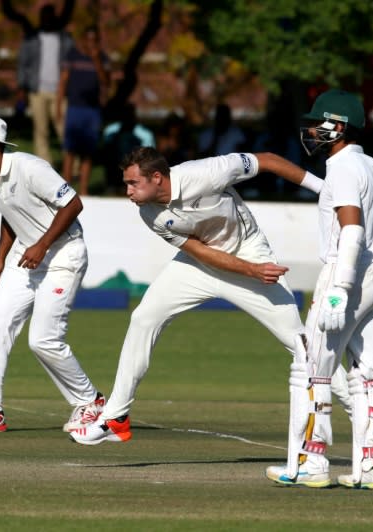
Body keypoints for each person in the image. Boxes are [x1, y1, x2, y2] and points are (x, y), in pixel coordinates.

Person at [69, 146, 326, 445]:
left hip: (249, 251)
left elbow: (267, 160)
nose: (127, 190)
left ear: (156, 178)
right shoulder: (148, 212)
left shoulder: (207, 172)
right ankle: (116, 417)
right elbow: (200, 252)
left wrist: (323, 189)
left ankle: (355, 403)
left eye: (133, 183)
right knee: (144, 317)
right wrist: (250, 270)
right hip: (201, 265)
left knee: (300, 342)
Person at [265, 89, 373, 489]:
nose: (310, 130)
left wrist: (341, 287)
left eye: (316, 123)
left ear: (338, 127)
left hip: (348, 270)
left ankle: (313, 462)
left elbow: (353, 228)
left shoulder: (342, 168)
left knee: (314, 371)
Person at [0, 113, 104, 433]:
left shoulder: (29, 167)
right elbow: (10, 216)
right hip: (26, 257)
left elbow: (73, 204)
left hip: (63, 255)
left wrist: (43, 245)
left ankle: (91, 403)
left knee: (43, 340)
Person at [16, 3, 74, 164]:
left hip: (60, 91)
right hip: (37, 90)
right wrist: (22, 87)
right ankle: (44, 165)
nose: (47, 20)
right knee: (41, 131)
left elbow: (72, 61)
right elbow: (23, 64)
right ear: (40, 19)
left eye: (50, 17)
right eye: (44, 17)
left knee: (64, 129)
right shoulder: (31, 39)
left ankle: (73, 165)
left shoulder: (65, 38)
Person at [56, 25, 110, 196]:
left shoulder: (103, 58)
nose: (91, 43)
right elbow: (63, 81)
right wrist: (58, 105)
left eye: (95, 40)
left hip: (92, 110)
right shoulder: (72, 55)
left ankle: (84, 190)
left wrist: (96, 60)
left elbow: (105, 82)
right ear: (83, 40)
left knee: (88, 151)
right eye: (89, 40)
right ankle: (66, 189)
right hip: (74, 108)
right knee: (70, 149)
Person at [101, 103, 155, 194]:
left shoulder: (145, 134)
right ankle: (113, 185)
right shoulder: (110, 130)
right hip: (115, 167)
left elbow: (150, 157)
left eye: (129, 114)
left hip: (136, 168)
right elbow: (105, 153)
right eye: (124, 114)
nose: (127, 117)